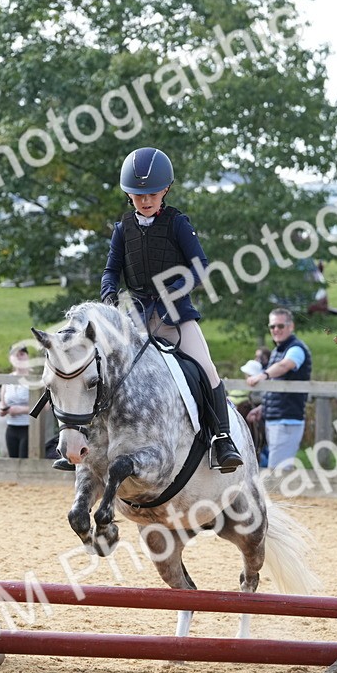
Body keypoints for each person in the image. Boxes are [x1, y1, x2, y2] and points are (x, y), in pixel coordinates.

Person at [94, 146, 242, 472]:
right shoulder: (122, 229)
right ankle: (87, 442)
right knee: (99, 370)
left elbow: (200, 266)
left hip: (174, 316)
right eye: (137, 195)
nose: (145, 200)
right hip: (133, 319)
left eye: (151, 193)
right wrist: (108, 296)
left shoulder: (178, 224)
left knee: (206, 368)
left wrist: (172, 293)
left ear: (165, 190)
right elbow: (110, 271)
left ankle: (222, 439)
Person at [245, 308, 312, 471]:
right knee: (276, 470)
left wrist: (264, 375)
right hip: (276, 419)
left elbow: (285, 365)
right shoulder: (277, 351)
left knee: (277, 473)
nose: (276, 330)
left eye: (280, 326)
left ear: (291, 326)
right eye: (272, 326)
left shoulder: (296, 349)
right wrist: (264, 407)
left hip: (286, 420)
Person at [0, 344, 32, 458]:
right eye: (15, 355)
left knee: (24, 461)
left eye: (22, 354)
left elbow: (45, 406)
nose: (18, 358)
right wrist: (3, 411)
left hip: (28, 428)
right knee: (13, 461)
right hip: (11, 427)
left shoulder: (34, 378)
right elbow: (2, 404)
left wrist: (21, 410)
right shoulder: (7, 379)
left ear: (27, 357)